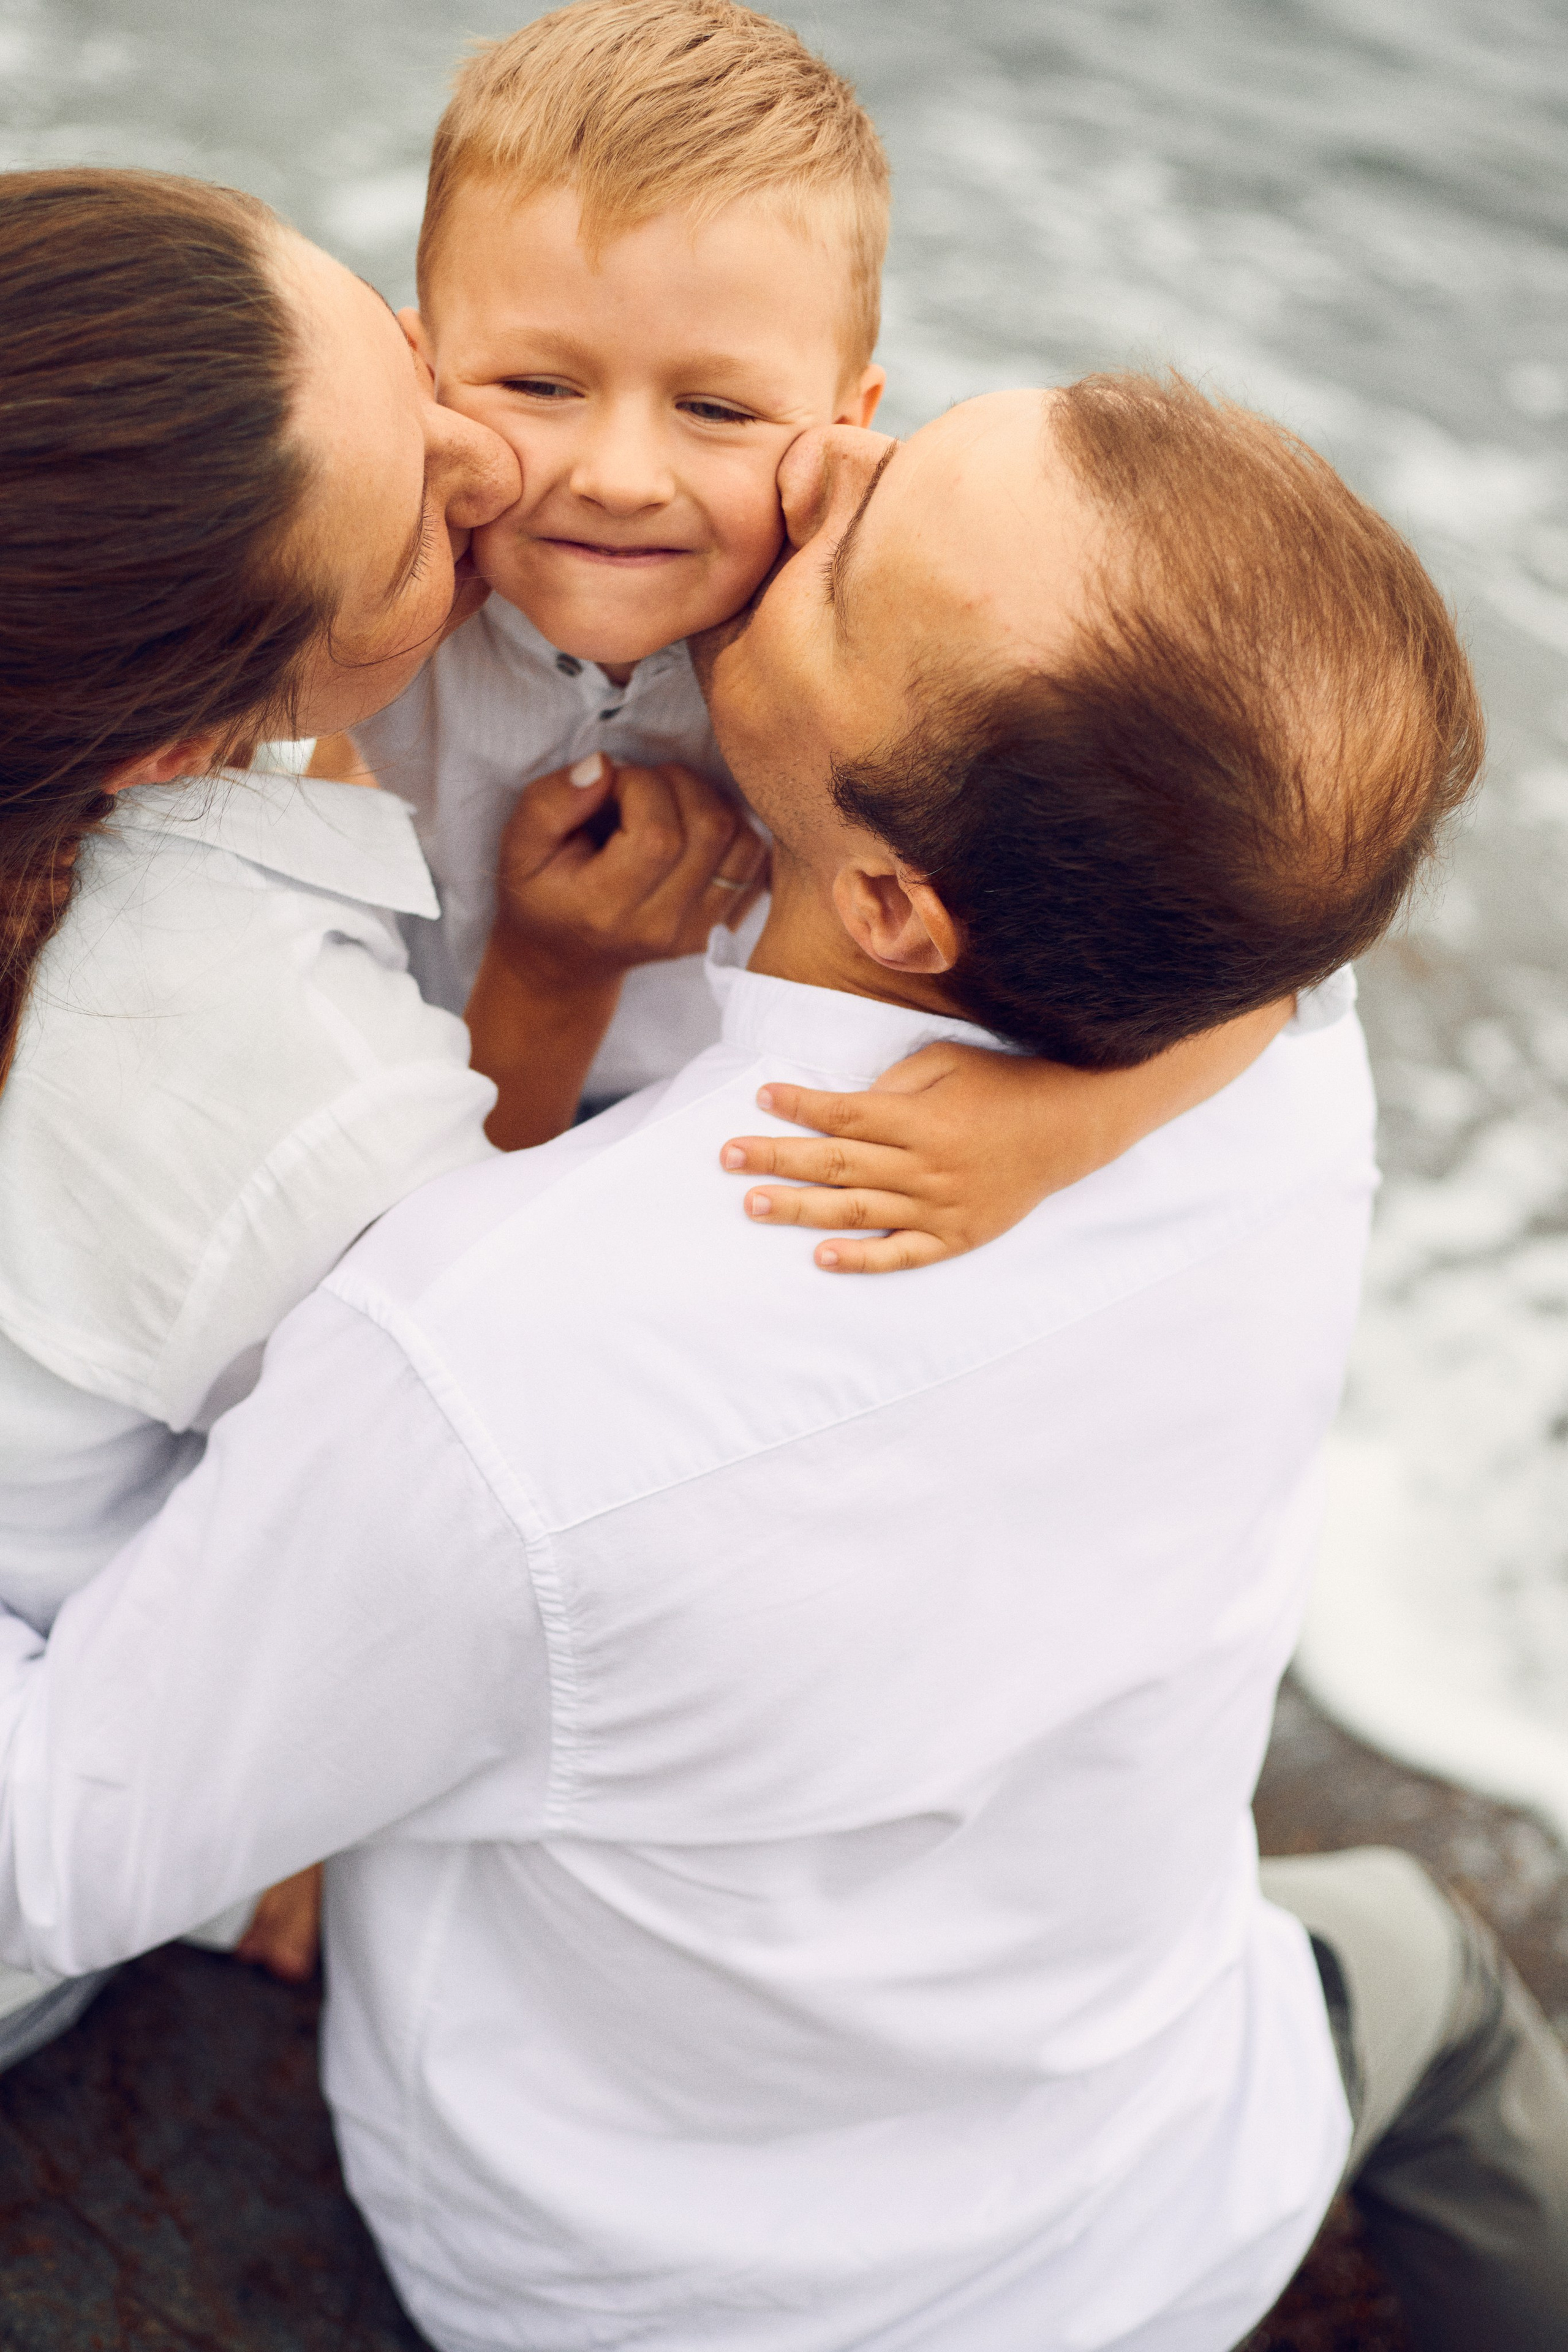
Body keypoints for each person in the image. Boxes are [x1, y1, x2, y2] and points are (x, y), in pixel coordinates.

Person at [0, 373, 1545, 2352]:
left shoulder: (501, 1369)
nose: (815, 463)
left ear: (898, 907)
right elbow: (1312, 948)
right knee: (1439, 1970)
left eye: (855, 546)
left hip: (658, 2282)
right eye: (911, 428)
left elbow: (54, 1847)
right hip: (1160, 2153)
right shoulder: (1268, 1071)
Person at [0, 164, 765, 2050]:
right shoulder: (230, 1049)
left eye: (408, 354)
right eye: (427, 519)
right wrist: (555, 982)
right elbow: (437, 1454)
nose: (494, 468)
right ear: (178, 747)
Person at [348, 0, 1286, 1237]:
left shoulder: (913, 637)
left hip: (739, 1141)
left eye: (719, 411)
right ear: (418, 372)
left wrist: (1058, 1131)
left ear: (847, 419)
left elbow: (1270, 961)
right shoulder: (341, 598)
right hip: (421, 1091)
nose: (622, 475)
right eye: (537, 385)